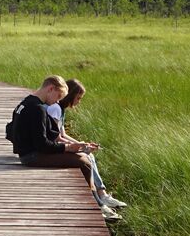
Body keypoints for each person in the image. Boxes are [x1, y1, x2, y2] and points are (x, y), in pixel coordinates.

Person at [9, 75, 122, 221]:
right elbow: (42, 145)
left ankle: (98, 203)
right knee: (84, 161)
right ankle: (97, 206)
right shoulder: (38, 109)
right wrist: (68, 148)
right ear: (51, 89)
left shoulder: (24, 103)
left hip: (26, 152)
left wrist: (72, 146)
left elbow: (44, 138)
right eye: (58, 96)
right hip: (31, 156)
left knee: (83, 158)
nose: (57, 101)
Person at [46, 79, 127, 215]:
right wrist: (79, 146)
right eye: (78, 98)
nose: (79, 101)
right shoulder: (55, 109)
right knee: (87, 157)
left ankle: (102, 195)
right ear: (70, 95)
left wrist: (83, 144)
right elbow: (56, 137)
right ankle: (99, 198)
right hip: (53, 147)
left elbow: (63, 133)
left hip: (58, 143)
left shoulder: (61, 109)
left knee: (89, 154)